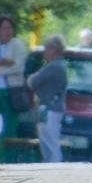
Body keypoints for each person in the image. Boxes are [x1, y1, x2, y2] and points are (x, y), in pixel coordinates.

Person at [27, 34, 69, 163]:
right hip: (50, 109)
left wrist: (32, 78)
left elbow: (32, 82)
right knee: (47, 143)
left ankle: (54, 170)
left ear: (54, 50)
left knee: (50, 144)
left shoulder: (54, 67)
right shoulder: (58, 66)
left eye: (47, 48)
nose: (45, 51)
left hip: (50, 110)